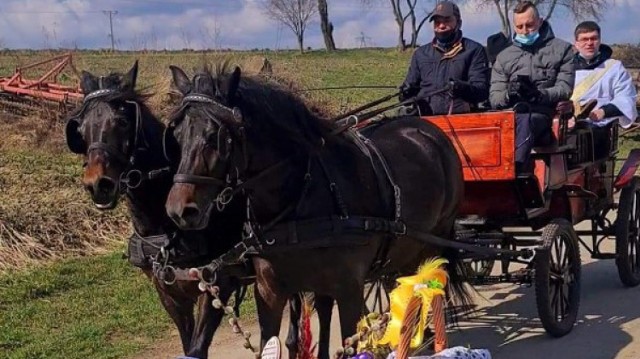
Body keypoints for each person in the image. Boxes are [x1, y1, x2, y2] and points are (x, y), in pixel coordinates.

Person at [489, 1, 574, 173]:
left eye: (529, 25)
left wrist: (539, 95)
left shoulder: (562, 49)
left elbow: (565, 87)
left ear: (540, 22)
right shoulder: (504, 57)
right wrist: (509, 94)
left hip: (543, 115)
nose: (524, 31)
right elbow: (494, 97)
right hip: (511, 114)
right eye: (519, 27)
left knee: (525, 121)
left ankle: (516, 172)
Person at [399, 0, 490, 115]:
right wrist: (405, 93)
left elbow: (482, 91)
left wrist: (461, 88)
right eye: (437, 22)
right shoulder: (420, 54)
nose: (441, 26)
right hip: (424, 122)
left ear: (459, 23)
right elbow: (407, 96)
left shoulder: (474, 50)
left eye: (447, 20)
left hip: (460, 119)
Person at [572, 21, 638, 129]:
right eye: (584, 39)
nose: (589, 43)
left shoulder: (614, 68)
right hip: (569, 121)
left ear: (599, 41)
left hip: (601, 123)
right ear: (576, 43)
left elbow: (626, 97)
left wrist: (604, 111)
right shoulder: (565, 67)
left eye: (593, 38)